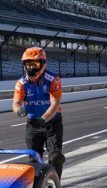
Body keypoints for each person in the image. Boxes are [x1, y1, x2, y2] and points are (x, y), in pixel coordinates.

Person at [12, 47, 65, 179]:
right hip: (33, 125)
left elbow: (55, 103)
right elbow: (16, 102)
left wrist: (44, 118)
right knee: (33, 160)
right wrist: (19, 110)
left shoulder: (53, 79)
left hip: (52, 123)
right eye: (28, 64)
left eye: (34, 64)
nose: (30, 68)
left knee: (55, 157)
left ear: (42, 63)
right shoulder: (21, 83)